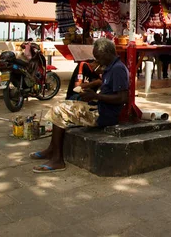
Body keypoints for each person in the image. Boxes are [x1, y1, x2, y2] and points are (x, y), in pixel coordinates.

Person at [31, 38, 128, 173]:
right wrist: (91, 91)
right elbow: (105, 85)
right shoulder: (111, 67)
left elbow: (122, 98)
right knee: (61, 104)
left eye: (99, 57)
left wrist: (96, 96)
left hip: (104, 114)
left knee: (59, 110)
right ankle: (52, 149)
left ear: (107, 53)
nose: (97, 61)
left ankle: (57, 159)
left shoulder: (118, 69)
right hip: (100, 107)